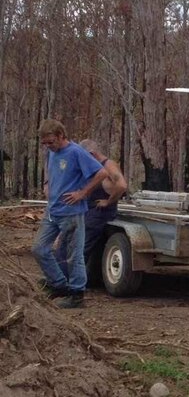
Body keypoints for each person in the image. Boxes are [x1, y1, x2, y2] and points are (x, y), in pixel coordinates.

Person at [33, 120, 107, 309]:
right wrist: (47, 186)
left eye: (51, 142)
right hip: (52, 210)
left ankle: (76, 294)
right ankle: (58, 284)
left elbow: (101, 173)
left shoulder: (76, 152)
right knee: (39, 249)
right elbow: (51, 174)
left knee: (74, 255)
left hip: (71, 213)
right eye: (45, 143)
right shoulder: (51, 153)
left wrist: (83, 193)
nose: (48, 146)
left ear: (60, 135)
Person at [55, 139, 128, 277]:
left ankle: (71, 281)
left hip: (99, 213)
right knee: (66, 240)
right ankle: (58, 277)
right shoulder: (91, 166)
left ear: (91, 154)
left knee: (80, 247)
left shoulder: (108, 165)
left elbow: (122, 185)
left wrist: (108, 201)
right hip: (86, 210)